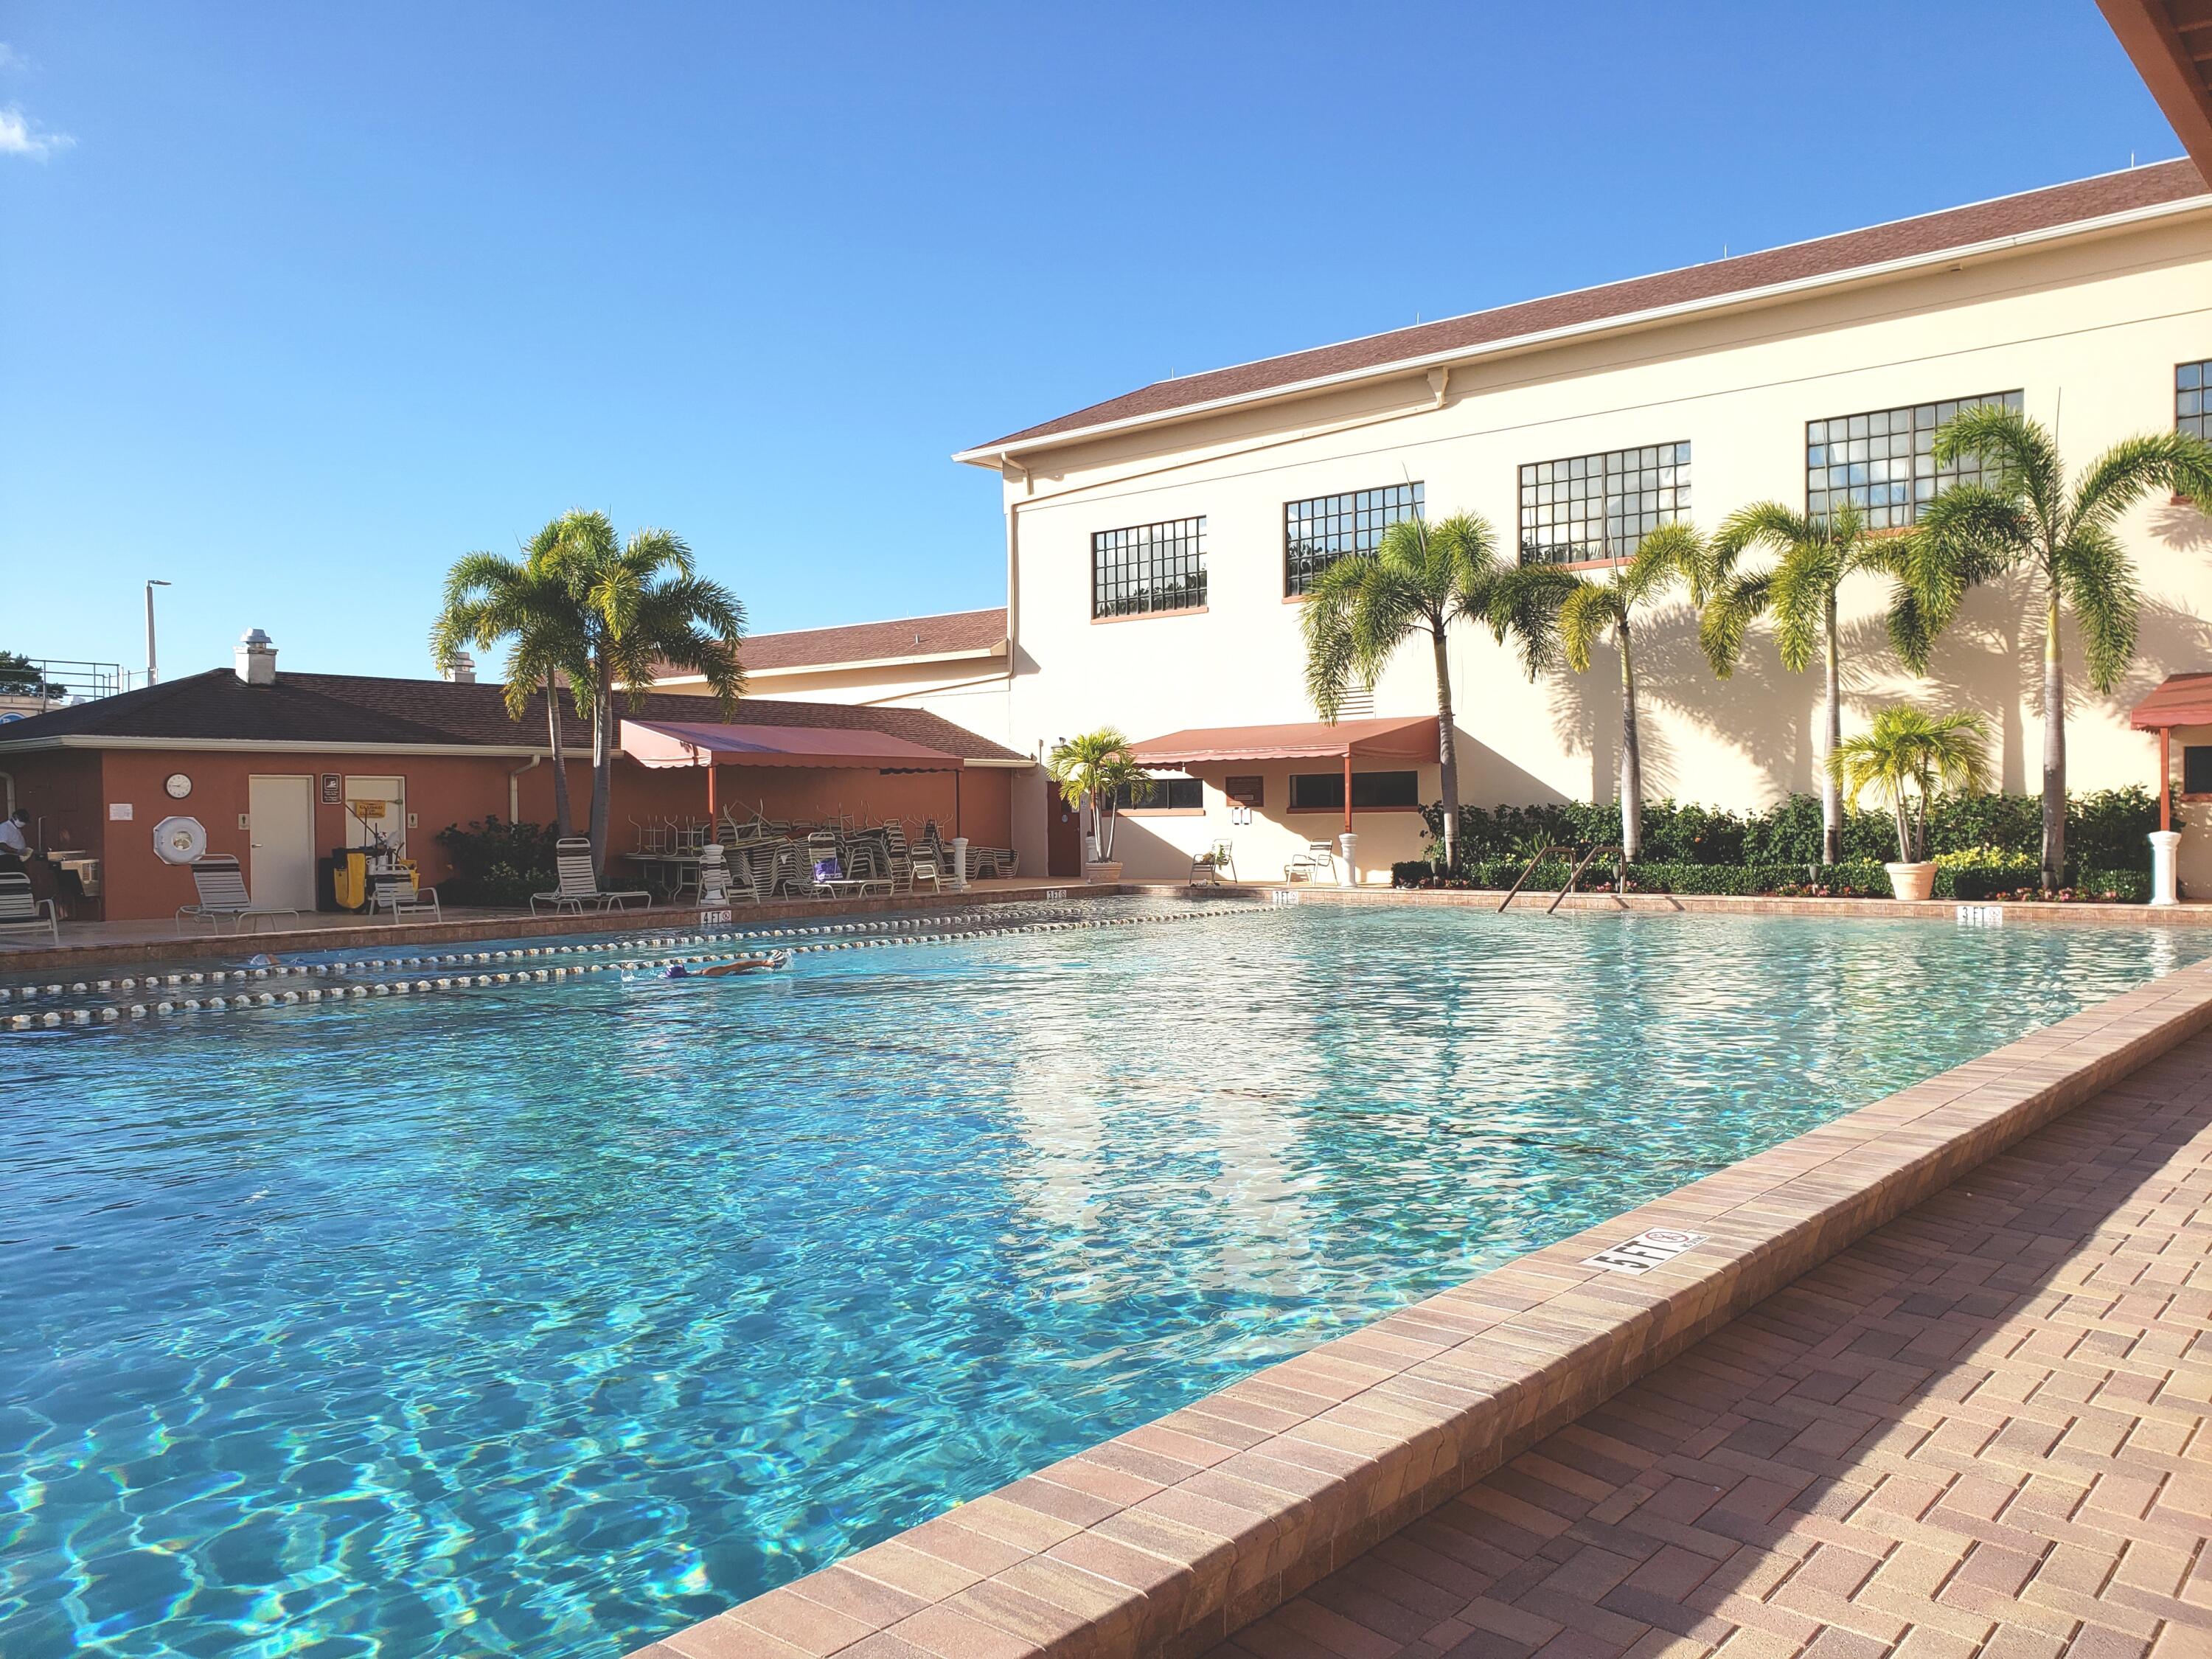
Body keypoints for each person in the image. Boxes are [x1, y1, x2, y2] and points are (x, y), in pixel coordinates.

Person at [664, 953, 786, 978]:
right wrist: (763, 963)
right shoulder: (708, 973)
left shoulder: (705, 973)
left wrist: (764, 963)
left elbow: (736, 967)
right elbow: (737, 966)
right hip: (749, 976)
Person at [0, 809, 29, 874]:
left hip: (15, 859)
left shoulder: (15, 829)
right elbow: (2, 845)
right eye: (22, 820)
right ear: (15, 817)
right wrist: (17, 851)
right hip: (6, 860)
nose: (23, 823)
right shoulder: (5, 827)